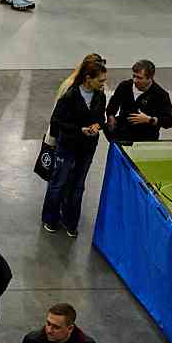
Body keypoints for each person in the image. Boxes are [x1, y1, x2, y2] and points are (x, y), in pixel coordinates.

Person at [42, 54, 107, 237]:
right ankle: (50, 218)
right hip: (67, 146)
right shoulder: (70, 95)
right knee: (58, 183)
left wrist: (98, 125)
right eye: (100, 80)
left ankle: (71, 222)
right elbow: (57, 122)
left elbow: (100, 117)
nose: (103, 83)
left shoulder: (100, 96)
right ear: (88, 78)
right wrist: (79, 130)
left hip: (87, 148)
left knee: (78, 186)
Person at [106, 59, 172, 147]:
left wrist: (149, 120)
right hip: (122, 138)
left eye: (139, 78)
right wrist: (111, 117)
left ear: (150, 78)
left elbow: (171, 121)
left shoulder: (160, 95)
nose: (135, 80)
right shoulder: (125, 86)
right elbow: (112, 105)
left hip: (145, 141)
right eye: (134, 76)